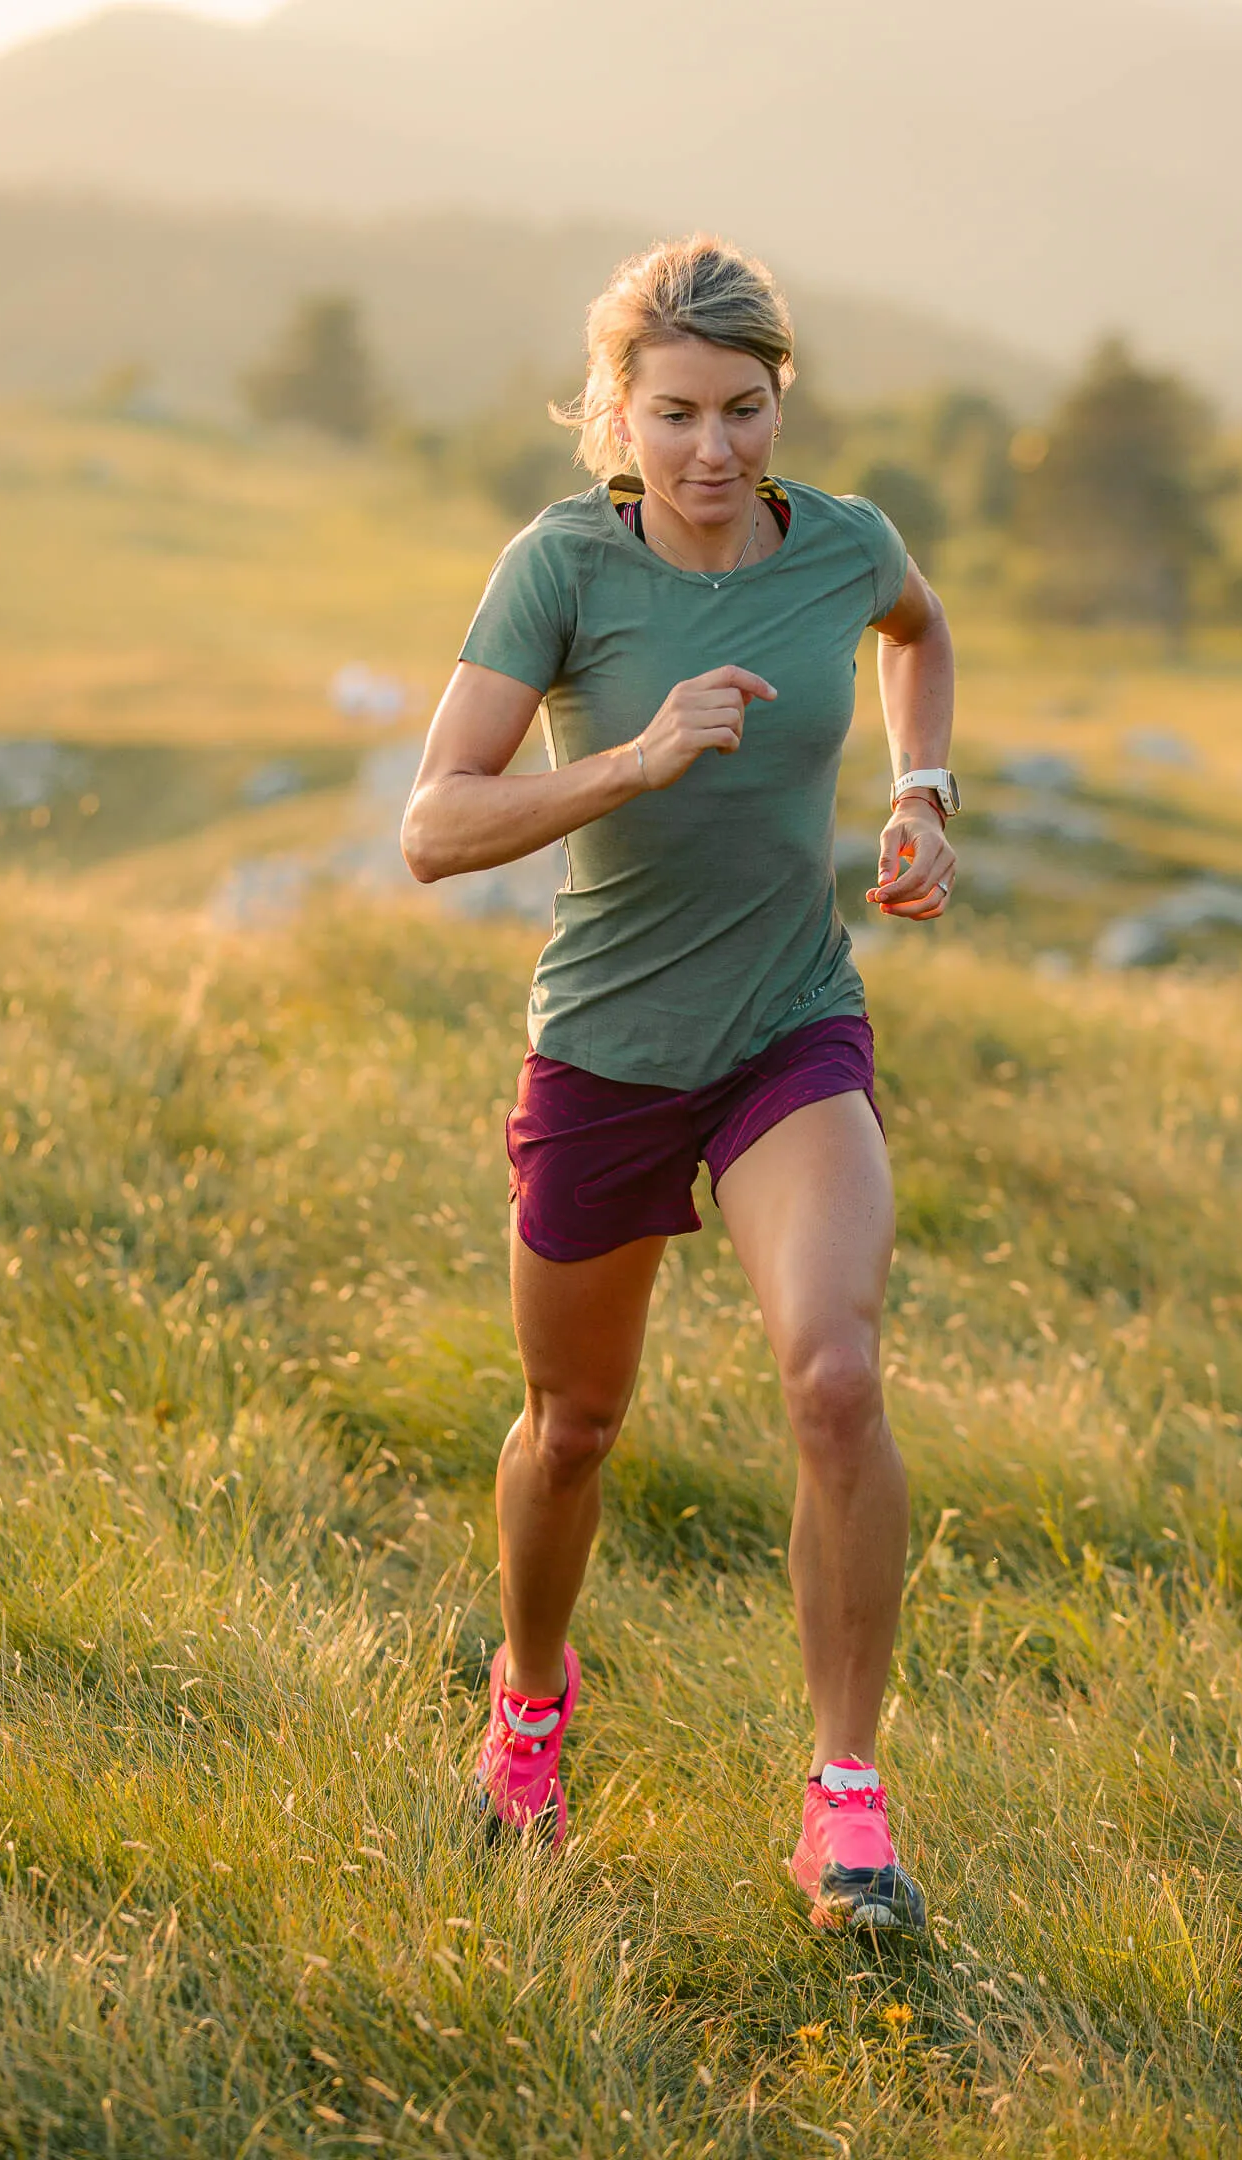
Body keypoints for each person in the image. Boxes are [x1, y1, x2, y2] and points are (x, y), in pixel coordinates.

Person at [401, 235, 959, 1931]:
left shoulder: (844, 542)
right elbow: (433, 826)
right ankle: (530, 1701)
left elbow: (918, 631)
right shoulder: (562, 571)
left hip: (788, 1029)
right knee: (573, 1428)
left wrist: (924, 788)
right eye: (675, 415)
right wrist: (634, 760)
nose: (714, 450)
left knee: (837, 1379)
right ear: (615, 417)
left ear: (779, 400)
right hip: (608, 1052)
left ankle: (846, 1804)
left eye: (744, 408)